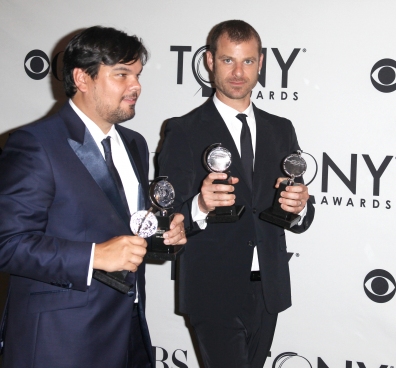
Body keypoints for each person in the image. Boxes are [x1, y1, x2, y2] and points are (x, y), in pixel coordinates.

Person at [0, 26, 187, 368]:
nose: (136, 86)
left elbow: (118, 219)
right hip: (61, 342)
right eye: (122, 74)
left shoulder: (135, 143)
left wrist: (162, 231)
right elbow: (8, 244)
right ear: (82, 79)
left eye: (138, 75)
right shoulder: (35, 144)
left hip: (128, 331)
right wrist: (94, 256)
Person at [158, 20, 315, 368]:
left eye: (247, 61)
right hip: (211, 290)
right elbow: (164, 213)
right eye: (228, 60)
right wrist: (199, 205)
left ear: (260, 63)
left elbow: (299, 205)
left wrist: (298, 206)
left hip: (268, 289)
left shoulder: (280, 129)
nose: (238, 72)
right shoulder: (183, 130)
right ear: (210, 62)